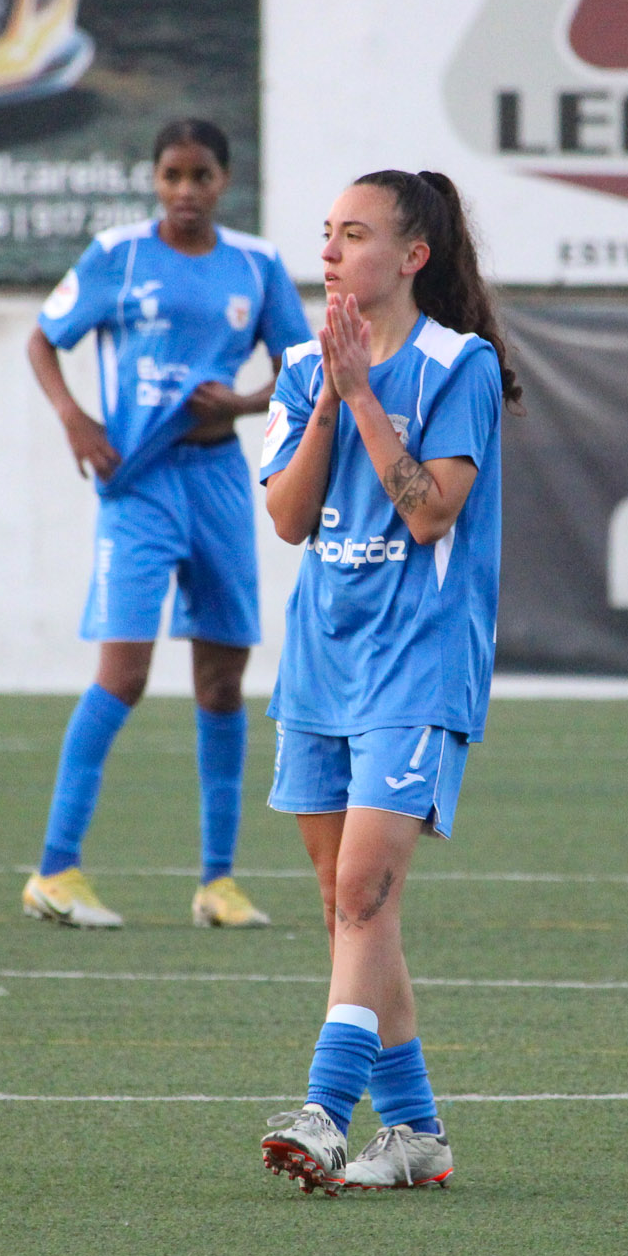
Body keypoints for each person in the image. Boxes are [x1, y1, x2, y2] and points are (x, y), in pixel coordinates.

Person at [254, 169, 516, 1193]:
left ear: (410, 256)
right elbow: (285, 518)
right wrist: (327, 388)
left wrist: (363, 391)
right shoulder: (298, 363)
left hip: (417, 661)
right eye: (323, 233)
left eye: (352, 234)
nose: (327, 251)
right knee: (347, 907)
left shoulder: (461, 365)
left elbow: (426, 514)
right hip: (322, 656)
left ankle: (322, 1111)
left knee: (362, 893)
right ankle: (413, 1132)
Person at [21, 119, 313, 930]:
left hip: (219, 480)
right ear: (155, 179)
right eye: (172, 175)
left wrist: (248, 403)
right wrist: (75, 419)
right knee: (125, 674)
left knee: (222, 680)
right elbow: (44, 340)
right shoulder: (118, 255)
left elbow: (303, 364)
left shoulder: (254, 265)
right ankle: (55, 868)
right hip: (138, 486)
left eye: (202, 176)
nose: (186, 191)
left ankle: (217, 883)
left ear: (225, 181)